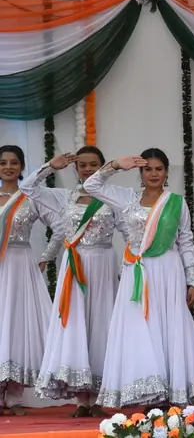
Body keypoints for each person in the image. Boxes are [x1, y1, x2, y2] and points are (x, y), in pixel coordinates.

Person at [83, 148, 194, 408]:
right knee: (140, 327)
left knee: (167, 326)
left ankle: (170, 393)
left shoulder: (176, 201)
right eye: (148, 169)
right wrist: (117, 164)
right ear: (140, 172)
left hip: (168, 270)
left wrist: (193, 280)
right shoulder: (127, 198)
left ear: (166, 172)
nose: (154, 173)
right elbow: (91, 184)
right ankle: (147, 391)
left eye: (159, 169)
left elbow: (185, 241)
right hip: (137, 272)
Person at [20, 146, 127, 417]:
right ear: (76, 169)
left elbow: (129, 233)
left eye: (94, 164)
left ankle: (100, 397)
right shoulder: (62, 197)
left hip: (104, 264)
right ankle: (81, 399)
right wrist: (50, 166)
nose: (88, 169)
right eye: (83, 165)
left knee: (102, 324)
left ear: (104, 167)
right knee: (75, 324)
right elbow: (29, 188)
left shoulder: (114, 198)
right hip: (74, 265)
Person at [0, 145, 63, 415]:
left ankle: (13, 396)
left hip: (20, 265)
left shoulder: (31, 197)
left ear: (23, 166)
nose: (8, 167)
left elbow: (61, 226)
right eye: (3, 162)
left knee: (17, 326)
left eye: (14, 162)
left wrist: (46, 256)